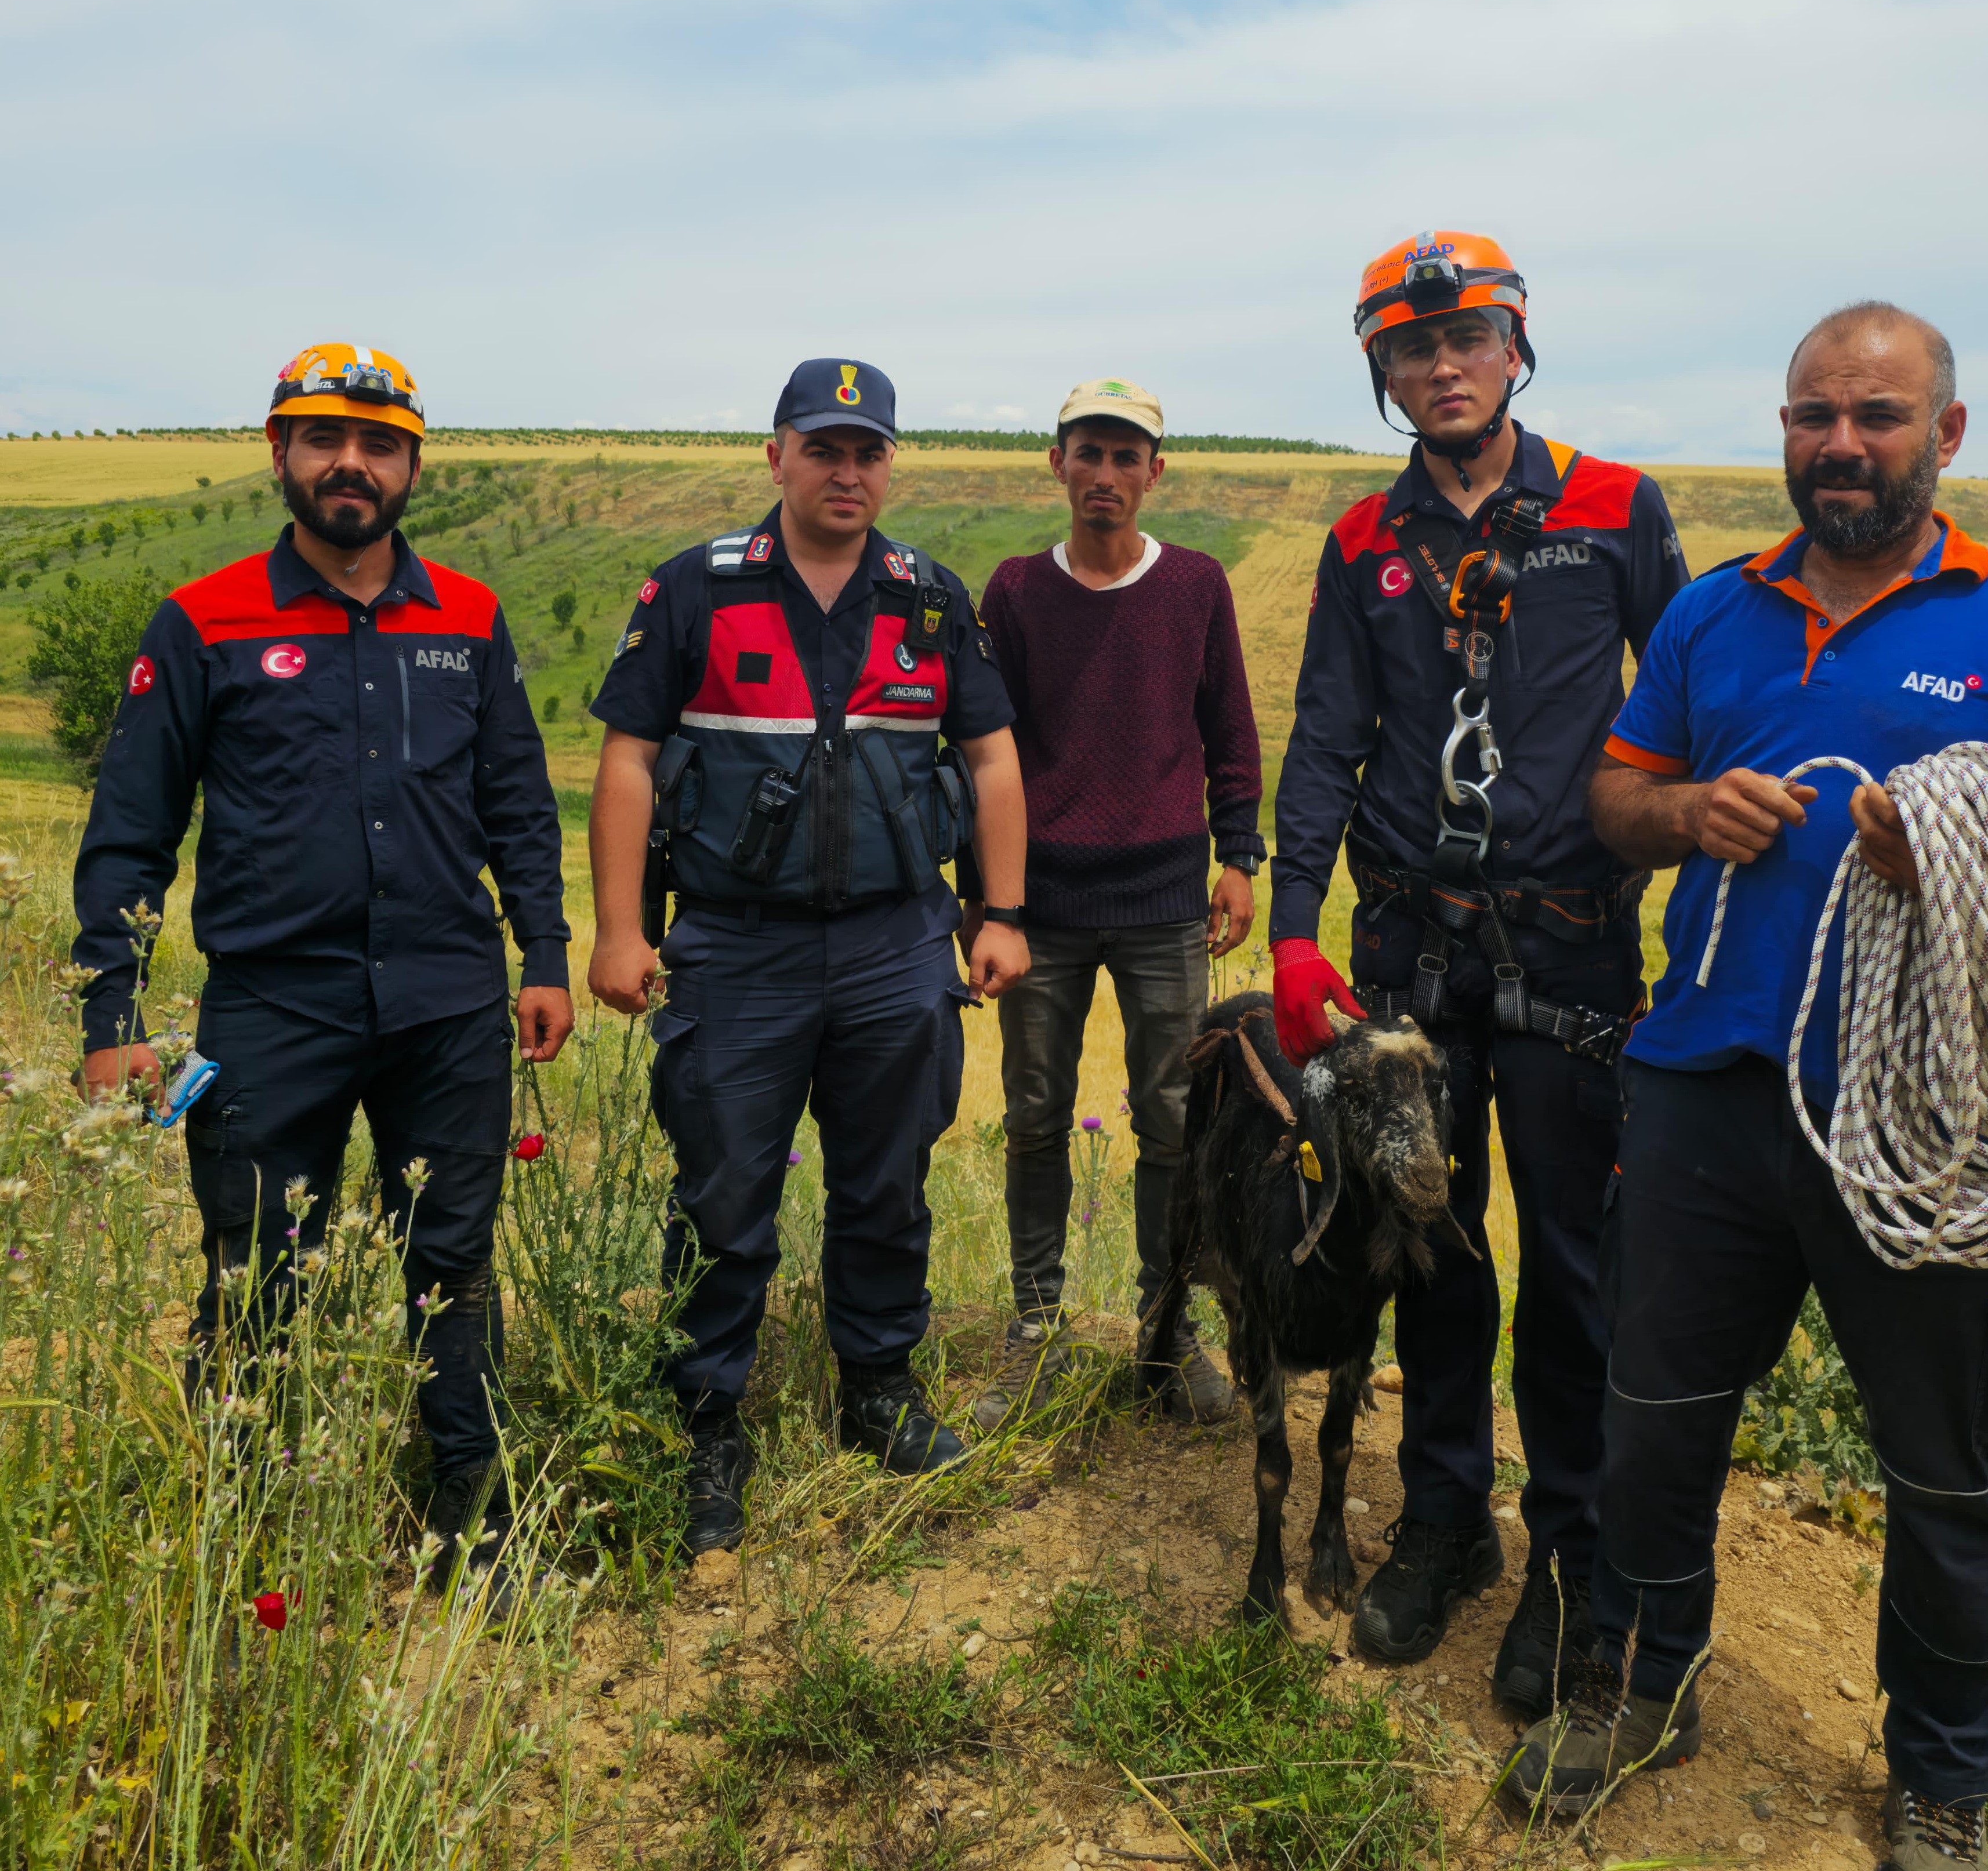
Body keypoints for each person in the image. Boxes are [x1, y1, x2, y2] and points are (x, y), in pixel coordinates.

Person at [1511, 303, 1988, 1867]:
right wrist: (1686, 810)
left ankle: (1941, 1778)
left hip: (1931, 1114)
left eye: (1874, 418)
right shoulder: (1708, 615)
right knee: (1655, 1418)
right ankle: (1639, 1686)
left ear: (1941, 438)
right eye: (1812, 415)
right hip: (1700, 1091)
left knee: (1944, 1465)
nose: (1838, 445)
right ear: (1781, 431)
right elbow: (1614, 798)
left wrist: (1972, 862)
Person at [73, 343, 574, 1604]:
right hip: (268, 1010)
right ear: (279, 449)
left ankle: (474, 1531)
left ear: (413, 463)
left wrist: (546, 953)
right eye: (322, 437)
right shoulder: (202, 620)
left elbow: (517, 801)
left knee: (451, 1266)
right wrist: (113, 1011)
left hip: (448, 1004)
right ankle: (242, 1538)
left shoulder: (468, 617)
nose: (350, 463)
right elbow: (133, 825)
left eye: (378, 442)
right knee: (253, 1272)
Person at [1269, 232, 1690, 1691]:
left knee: (1576, 1270)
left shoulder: (1615, 511)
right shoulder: (1358, 545)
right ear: (1382, 372)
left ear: (1515, 347)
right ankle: (1447, 1514)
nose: (1440, 367)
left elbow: (1690, 707)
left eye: (1466, 340)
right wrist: (1286, 926)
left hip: (1570, 956)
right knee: (1427, 1251)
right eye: (1410, 348)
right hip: (1404, 960)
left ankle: (1573, 1549)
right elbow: (1325, 737)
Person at [586, 358, 1029, 1557]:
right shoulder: (693, 591)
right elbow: (628, 760)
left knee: (884, 1185)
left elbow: (990, 760)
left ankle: (877, 1390)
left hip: (895, 942)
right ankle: (709, 1421)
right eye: (823, 448)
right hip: (737, 946)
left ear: (891, 462)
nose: (847, 471)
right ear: (775, 455)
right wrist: (620, 930)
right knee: (724, 1195)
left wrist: (999, 911)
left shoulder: (928, 598)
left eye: (868, 451)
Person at [964, 377, 1264, 1432]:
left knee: (1176, 1120)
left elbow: (1228, 726)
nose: (1104, 475)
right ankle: (1035, 1326)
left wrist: (1241, 854)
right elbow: (981, 749)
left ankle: (1167, 1328)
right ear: (1057, 463)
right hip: (1036, 904)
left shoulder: (1194, 585)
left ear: (1154, 472)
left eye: (1125, 456)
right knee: (1036, 1115)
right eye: (1086, 452)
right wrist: (982, 901)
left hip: (1164, 901)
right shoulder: (1011, 591)